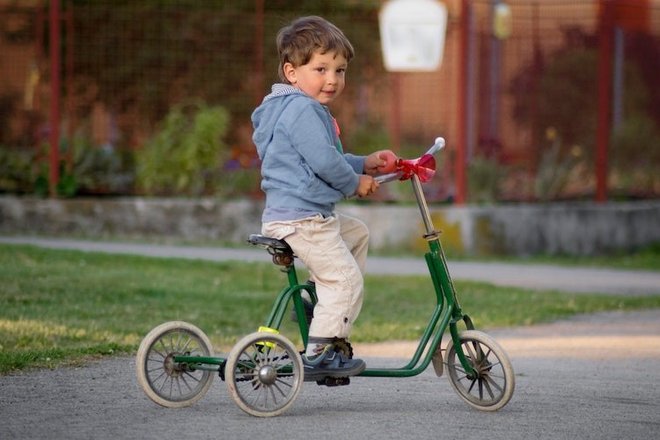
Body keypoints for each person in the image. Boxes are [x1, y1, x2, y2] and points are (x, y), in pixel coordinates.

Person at [251, 15, 397, 382]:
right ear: (292, 71)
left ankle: (320, 304)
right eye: (321, 68)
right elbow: (324, 162)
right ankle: (322, 350)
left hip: (298, 215)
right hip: (302, 219)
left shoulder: (293, 107)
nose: (332, 79)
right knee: (346, 281)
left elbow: (322, 159)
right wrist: (354, 183)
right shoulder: (302, 110)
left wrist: (364, 164)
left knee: (356, 233)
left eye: (340, 70)